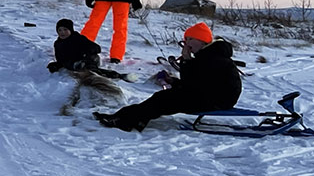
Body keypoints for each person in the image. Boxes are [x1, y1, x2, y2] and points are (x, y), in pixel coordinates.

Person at [94, 23, 241, 132]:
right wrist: (175, 81)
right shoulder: (208, 56)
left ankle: (125, 120)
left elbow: (194, 83)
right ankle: (127, 118)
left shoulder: (211, 58)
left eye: (190, 39)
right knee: (162, 98)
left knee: (164, 99)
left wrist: (186, 60)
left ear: (201, 41)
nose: (186, 43)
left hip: (217, 100)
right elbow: (197, 83)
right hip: (211, 96)